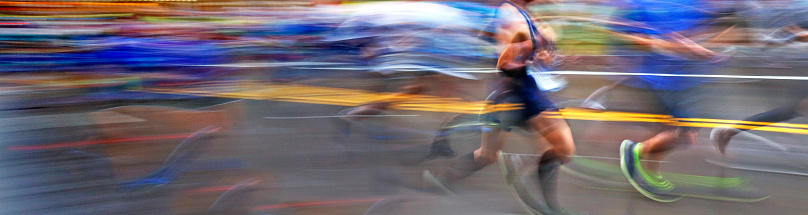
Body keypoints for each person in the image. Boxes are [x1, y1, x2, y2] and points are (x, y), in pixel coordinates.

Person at [406, 0, 581, 214]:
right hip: (513, 94)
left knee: (561, 148)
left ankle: (549, 207)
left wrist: (538, 54)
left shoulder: (525, 13)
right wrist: (517, 52)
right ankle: (440, 179)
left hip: (522, 91)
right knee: (488, 155)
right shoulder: (510, 12)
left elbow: (523, 49)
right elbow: (505, 59)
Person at [600, 0, 731, 202]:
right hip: (661, 79)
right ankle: (634, 151)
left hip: (685, 78)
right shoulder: (642, 4)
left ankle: (652, 174)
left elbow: (702, 29)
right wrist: (680, 47)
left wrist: (705, 48)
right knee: (685, 136)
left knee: (664, 131)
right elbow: (628, 37)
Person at [711, 0, 808, 155]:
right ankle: (728, 132)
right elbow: (781, 35)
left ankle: (729, 132)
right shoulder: (784, 7)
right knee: (792, 110)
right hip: (793, 66)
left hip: (793, 65)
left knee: (791, 111)